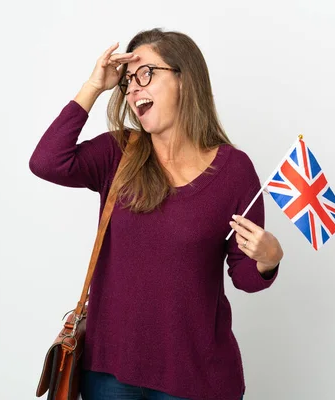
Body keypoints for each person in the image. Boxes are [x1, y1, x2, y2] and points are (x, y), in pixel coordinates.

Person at [29, 28, 283, 400]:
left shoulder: (235, 170)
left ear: (185, 79)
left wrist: (268, 259)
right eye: (129, 81)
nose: (133, 89)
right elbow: (47, 161)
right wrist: (93, 86)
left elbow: (244, 276)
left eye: (146, 73)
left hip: (197, 377)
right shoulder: (118, 153)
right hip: (109, 373)